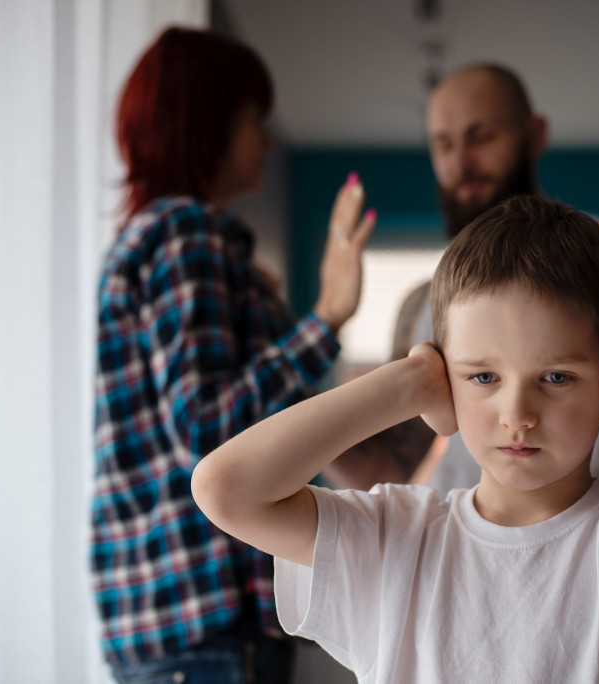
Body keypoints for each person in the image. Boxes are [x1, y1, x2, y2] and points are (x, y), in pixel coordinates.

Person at [192, 196, 599, 683]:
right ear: (445, 376)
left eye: (557, 376)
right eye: (482, 376)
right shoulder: (395, 538)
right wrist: (407, 384)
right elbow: (225, 488)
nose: (518, 413)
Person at [91, 27, 375, 683]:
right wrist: (327, 316)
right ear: (207, 121)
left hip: (169, 619)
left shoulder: (157, 236)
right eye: (255, 118)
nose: (269, 140)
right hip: (204, 618)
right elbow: (208, 430)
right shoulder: (186, 232)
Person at [325, 62, 599, 493]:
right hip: (454, 542)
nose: (461, 164)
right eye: (443, 146)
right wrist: (321, 326)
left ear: (534, 135)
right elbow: (389, 472)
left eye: (481, 137)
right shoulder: (425, 302)